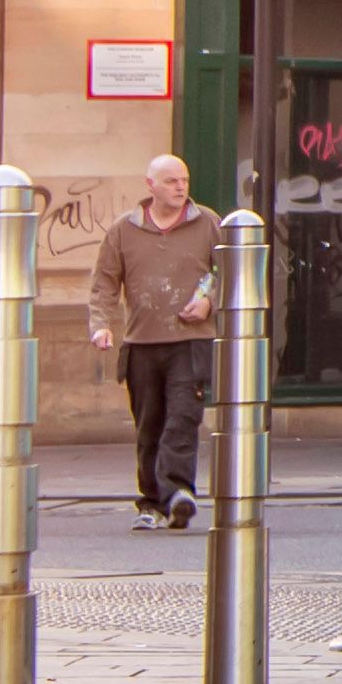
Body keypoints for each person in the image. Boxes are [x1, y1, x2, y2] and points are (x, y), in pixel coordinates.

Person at [90, 151, 225, 527]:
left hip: (191, 341)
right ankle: (150, 503)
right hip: (142, 342)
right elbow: (104, 282)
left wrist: (209, 302)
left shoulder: (208, 223)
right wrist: (100, 324)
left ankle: (179, 493)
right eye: (171, 181)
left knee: (182, 418)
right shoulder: (124, 229)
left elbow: (228, 271)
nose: (181, 188)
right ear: (150, 185)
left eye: (184, 180)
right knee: (149, 425)